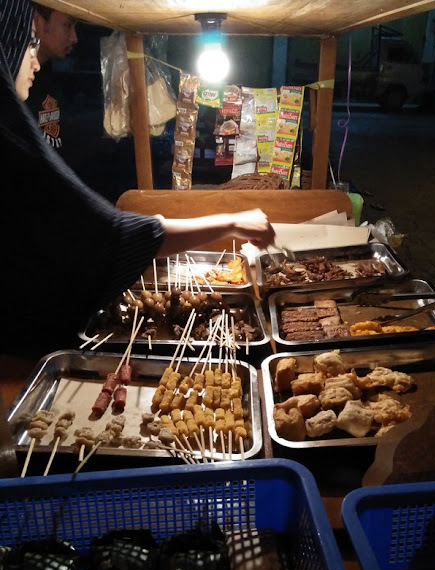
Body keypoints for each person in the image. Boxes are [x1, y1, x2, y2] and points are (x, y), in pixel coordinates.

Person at [0, 0, 275, 360]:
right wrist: (232, 221)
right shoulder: (11, 145)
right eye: (29, 45)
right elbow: (106, 237)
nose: (35, 60)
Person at [25, 3, 78, 153]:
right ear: (37, 22)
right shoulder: (15, 86)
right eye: (67, 25)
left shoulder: (48, 76)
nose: (74, 38)